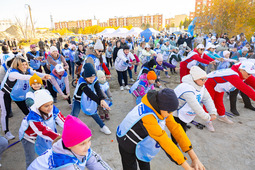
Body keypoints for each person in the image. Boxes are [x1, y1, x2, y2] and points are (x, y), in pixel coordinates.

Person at [117, 88, 205, 170]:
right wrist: (187, 167)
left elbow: (175, 128)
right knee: (130, 166)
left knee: (144, 161)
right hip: (126, 141)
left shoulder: (162, 107)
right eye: (169, 112)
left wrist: (194, 158)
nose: (170, 114)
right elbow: (164, 141)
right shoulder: (148, 117)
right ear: (162, 107)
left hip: (142, 141)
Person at [28, 115, 112, 170]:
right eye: (82, 143)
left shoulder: (78, 148)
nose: (88, 146)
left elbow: (96, 162)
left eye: (89, 140)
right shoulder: (65, 164)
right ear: (69, 146)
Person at [0, 56, 51, 140]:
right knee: (5, 112)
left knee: (28, 111)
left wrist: (45, 75)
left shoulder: (26, 70)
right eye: (22, 65)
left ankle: (35, 128)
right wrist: (37, 79)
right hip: (5, 93)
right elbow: (24, 77)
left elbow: (35, 73)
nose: (25, 66)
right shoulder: (12, 72)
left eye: (25, 64)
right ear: (17, 65)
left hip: (18, 95)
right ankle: (6, 132)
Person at [19, 89, 66, 168]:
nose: (50, 107)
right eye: (46, 106)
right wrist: (60, 138)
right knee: (31, 159)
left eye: (51, 104)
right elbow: (43, 131)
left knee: (50, 153)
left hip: (43, 135)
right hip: (29, 138)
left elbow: (62, 119)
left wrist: (72, 129)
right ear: (38, 106)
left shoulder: (52, 108)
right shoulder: (33, 117)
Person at [173, 66, 217, 134]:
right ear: (195, 79)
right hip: (176, 112)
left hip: (185, 111)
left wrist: (212, 112)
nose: (205, 81)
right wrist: (207, 117)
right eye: (202, 79)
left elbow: (207, 99)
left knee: (183, 128)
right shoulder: (187, 88)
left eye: (206, 79)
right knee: (178, 132)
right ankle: (175, 143)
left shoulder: (201, 85)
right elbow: (195, 106)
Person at [71, 63, 111, 135]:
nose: (92, 79)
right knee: (74, 115)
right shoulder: (81, 81)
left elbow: (98, 90)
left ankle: (103, 126)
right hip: (78, 99)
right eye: (90, 78)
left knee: (93, 112)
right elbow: (89, 93)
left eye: (93, 77)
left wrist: (102, 99)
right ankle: (71, 130)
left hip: (87, 99)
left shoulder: (94, 79)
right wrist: (100, 102)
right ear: (85, 77)